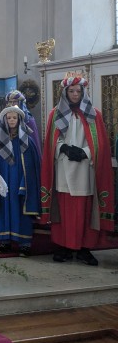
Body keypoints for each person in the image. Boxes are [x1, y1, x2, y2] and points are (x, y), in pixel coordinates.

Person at [40, 73, 114, 266]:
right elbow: (50, 142)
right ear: (65, 92)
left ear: (83, 92)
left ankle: (84, 248)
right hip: (63, 168)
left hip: (85, 169)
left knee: (85, 209)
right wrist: (63, 147)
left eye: (78, 91)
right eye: (71, 91)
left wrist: (85, 153)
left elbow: (101, 145)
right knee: (63, 210)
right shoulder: (55, 114)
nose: (74, 94)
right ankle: (63, 247)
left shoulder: (94, 114)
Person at [0, 106, 41, 256]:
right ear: (4, 120)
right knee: (3, 209)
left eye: (14, 118)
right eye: (8, 118)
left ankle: (24, 243)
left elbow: (32, 165)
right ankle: (4, 241)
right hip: (3, 181)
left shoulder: (26, 140)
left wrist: (25, 182)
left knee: (21, 209)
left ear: (19, 120)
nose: (11, 120)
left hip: (20, 182)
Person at [5, 89, 41, 156]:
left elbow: (34, 141)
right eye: (10, 102)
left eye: (15, 101)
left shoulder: (29, 120)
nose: (12, 104)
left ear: (20, 103)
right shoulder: (4, 119)